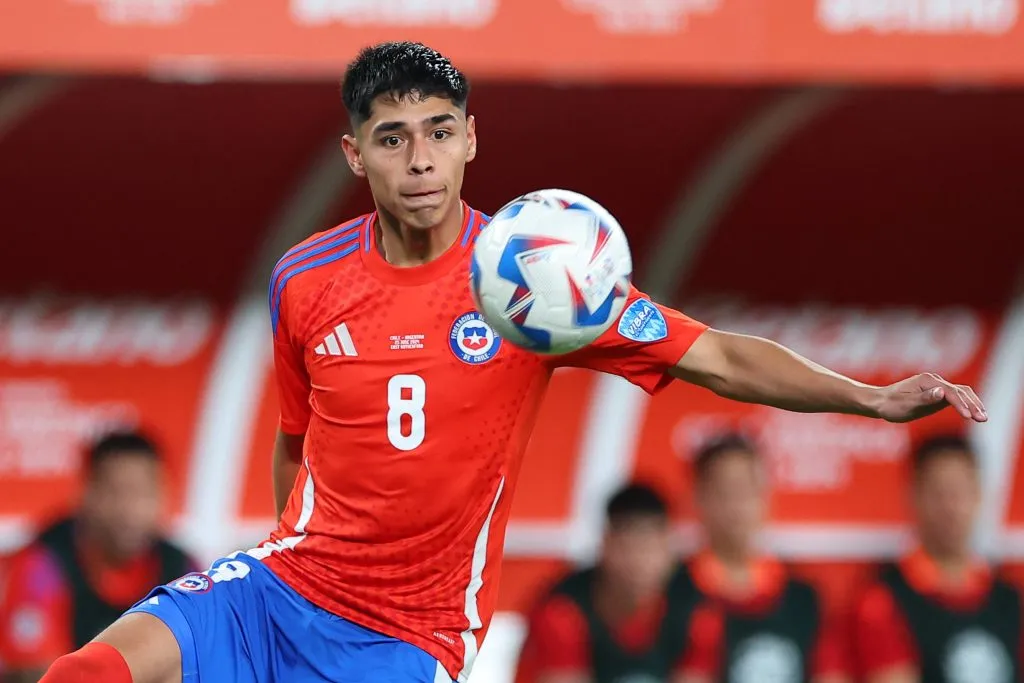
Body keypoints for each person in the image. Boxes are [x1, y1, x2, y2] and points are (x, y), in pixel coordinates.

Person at [38, 41, 987, 683]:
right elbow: (299, 444)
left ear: (472, 139)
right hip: (280, 588)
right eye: (394, 138)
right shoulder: (306, 278)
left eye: (440, 132)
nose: (421, 160)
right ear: (355, 153)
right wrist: (293, 551)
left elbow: (720, 357)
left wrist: (871, 399)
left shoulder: (535, 281)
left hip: (409, 637)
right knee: (83, 672)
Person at [0, 431, 194, 683]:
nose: (130, 510)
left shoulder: (183, 569)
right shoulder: (43, 565)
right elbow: (35, 674)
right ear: (87, 492)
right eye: (117, 492)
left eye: (144, 493)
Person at [677, 434, 849, 683]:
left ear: (766, 496)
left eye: (747, 489)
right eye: (724, 490)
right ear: (698, 497)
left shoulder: (803, 599)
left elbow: (830, 674)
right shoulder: (674, 594)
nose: (736, 505)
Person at [849, 434, 1021, 683]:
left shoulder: (1009, 598)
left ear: (979, 495)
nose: (951, 507)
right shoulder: (884, 600)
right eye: (939, 492)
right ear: (914, 496)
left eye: (961, 491)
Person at [515, 483, 697, 683]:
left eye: (650, 548)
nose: (640, 563)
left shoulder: (695, 610)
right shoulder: (562, 611)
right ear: (605, 545)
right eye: (628, 548)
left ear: (670, 551)